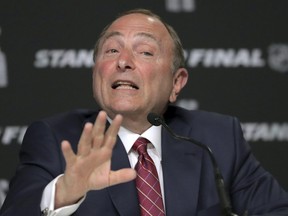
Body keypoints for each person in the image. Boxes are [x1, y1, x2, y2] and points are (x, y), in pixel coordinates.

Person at [1, 8, 288, 216]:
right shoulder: (56, 138)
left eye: (145, 52)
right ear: (95, 73)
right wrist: (64, 193)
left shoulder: (217, 138)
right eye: (111, 50)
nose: (123, 61)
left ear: (177, 83)